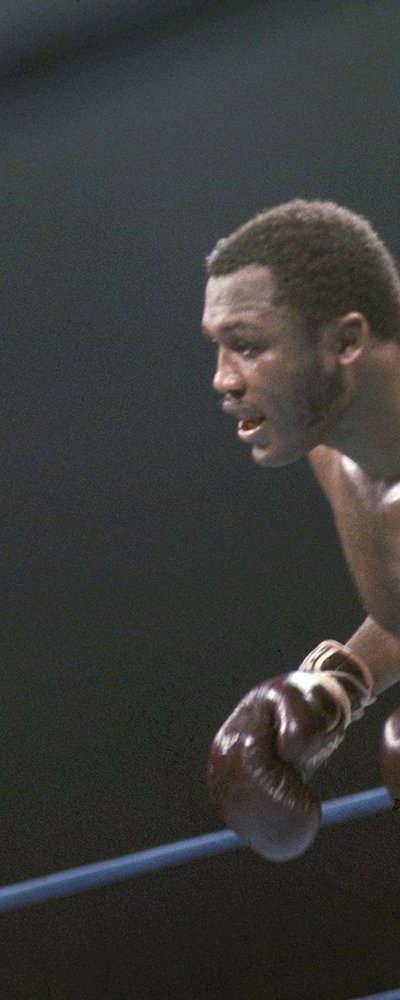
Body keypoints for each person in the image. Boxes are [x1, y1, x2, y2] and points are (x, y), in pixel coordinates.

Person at [202, 199, 400, 862]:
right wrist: (341, 683)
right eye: (218, 346)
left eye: (248, 345)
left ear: (344, 342)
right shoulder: (335, 451)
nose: (223, 379)